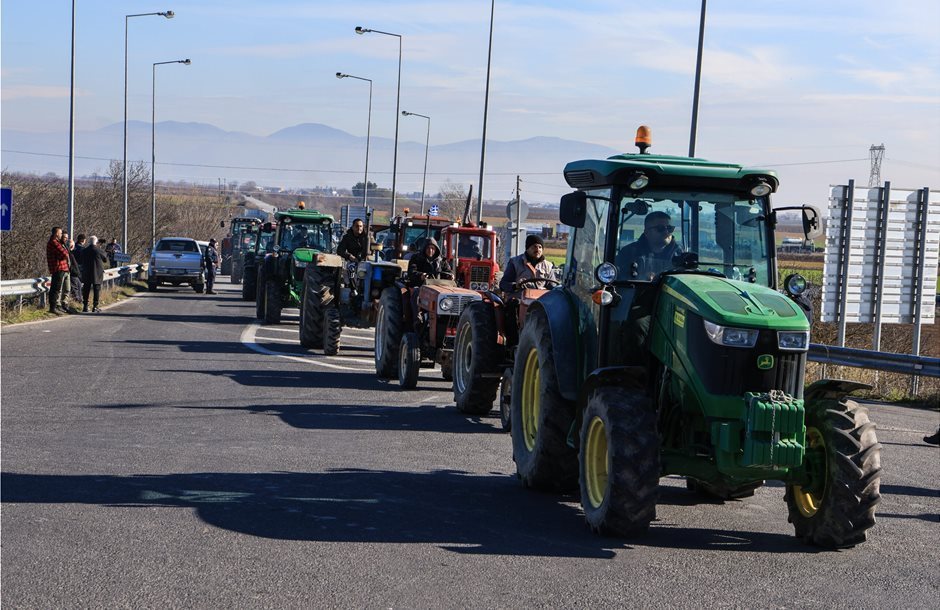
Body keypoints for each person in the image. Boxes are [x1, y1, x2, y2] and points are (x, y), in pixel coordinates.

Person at [615, 211, 682, 281]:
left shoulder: (681, 256)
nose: (666, 232)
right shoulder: (628, 253)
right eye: (660, 228)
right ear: (646, 232)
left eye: (669, 228)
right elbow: (617, 278)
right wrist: (641, 278)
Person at [46, 226, 71, 315]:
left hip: (60, 268)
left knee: (56, 289)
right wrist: (63, 255)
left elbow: (63, 254)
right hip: (58, 268)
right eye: (60, 233)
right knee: (55, 289)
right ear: (56, 234)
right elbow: (64, 253)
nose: (61, 235)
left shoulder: (56, 242)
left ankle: (55, 307)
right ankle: (53, 307)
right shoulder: (54, 242)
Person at [79, 236, 108, 312]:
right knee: (96, 289)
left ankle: (85, 306)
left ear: (89, 242)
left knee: (86, 289)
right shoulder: (98, 250)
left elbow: (80, 260)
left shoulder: (84, 250)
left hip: (86, 272)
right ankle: (95, 306)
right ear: (96, 242)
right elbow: (105, 259)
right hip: (96, 272)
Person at [67, 235, 84, 306]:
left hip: (75, 273)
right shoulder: (68, 253)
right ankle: (76, 302)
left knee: (79, 286)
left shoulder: (72, 253)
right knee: (75, 289)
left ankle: (80, 301)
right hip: (72, 273)